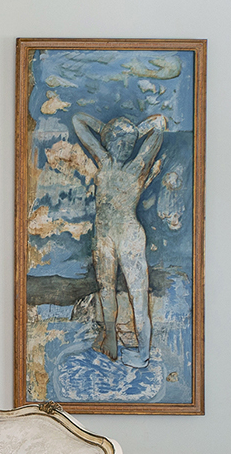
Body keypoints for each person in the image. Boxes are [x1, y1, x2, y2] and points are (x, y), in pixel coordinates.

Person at [71, 113, 166, 368]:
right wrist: (105, 128)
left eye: (128, 142)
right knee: (106, 289)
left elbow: (159, 125)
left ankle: (143, 354)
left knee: (138, 295)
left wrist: (134, 130)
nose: (123, 147)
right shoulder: (103, 160)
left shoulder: (138, 165)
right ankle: (111, 340)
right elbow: (79, 121)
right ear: (108, 142)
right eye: (117, 141)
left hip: (129, 235)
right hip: (104, 235)